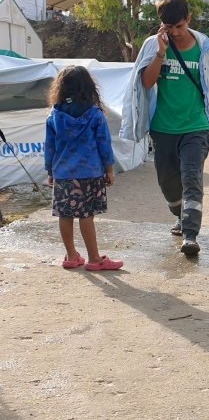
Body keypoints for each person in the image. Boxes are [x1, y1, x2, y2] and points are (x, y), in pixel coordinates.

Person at [121, 0, 209, 257]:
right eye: (169, 27)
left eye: (179, 26)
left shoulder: (206, 47)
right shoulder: (153, 45)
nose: (174, 32)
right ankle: (180, 215)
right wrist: (161, 53)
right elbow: (146, 83)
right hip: (163, 129)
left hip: (195, 126)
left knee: (191, 177)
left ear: (189, 19)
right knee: (168, 184)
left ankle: (191, 235)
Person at [45, 66, 124, 271]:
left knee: (65, 214)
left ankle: (71, 256)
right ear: (89, 87)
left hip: (63, 173)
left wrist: (50, 171)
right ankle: (94, 259)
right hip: (90, 172)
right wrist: (109, 169)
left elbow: (50, 146)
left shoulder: (55, 114)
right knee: (86, 215)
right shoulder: (95, 114)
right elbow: (104, 144)